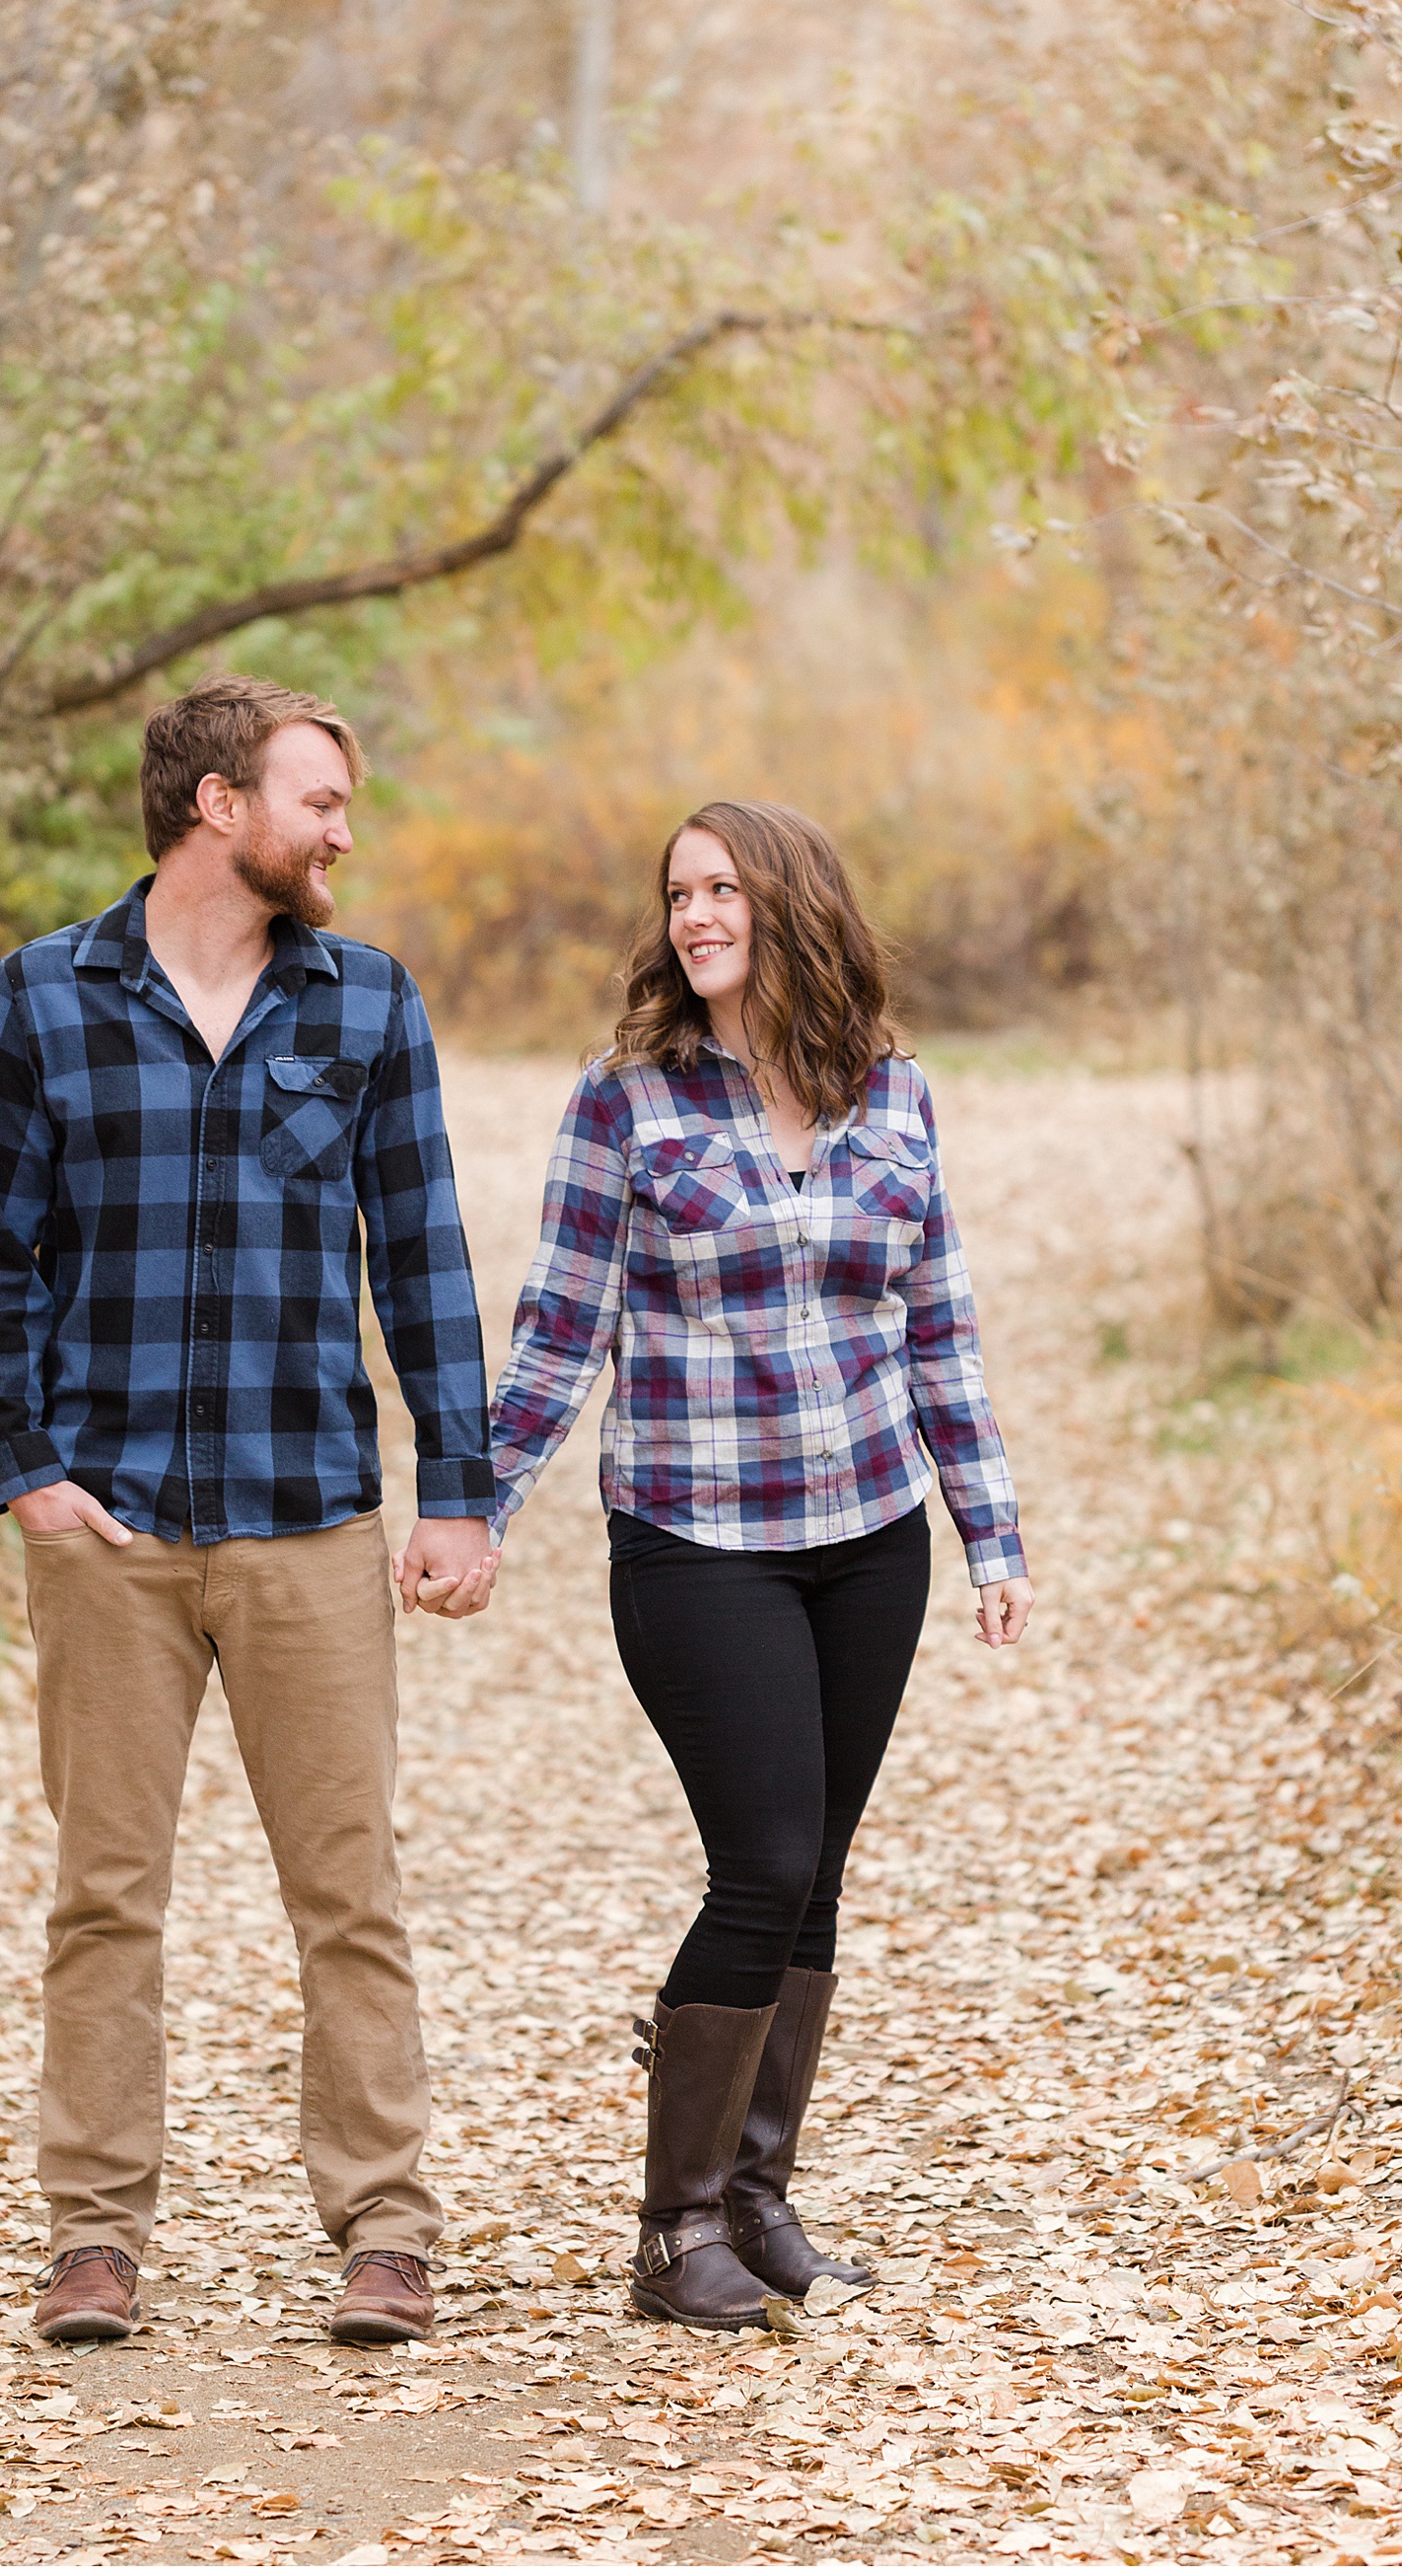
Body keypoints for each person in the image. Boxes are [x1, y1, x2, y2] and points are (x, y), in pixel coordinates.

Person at [0, 674, 498, 2351]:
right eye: (318, 799)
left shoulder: (366, 1004)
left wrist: (458, 1490)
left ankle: (386, 2233)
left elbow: (423, 1258)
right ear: (217, 806)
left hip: (308, 1520)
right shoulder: (41, 1000)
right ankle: (94, 2239)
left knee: (352, 1891)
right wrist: (19, 1463)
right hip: (108, 1534)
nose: (344, 829)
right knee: (106, 1892)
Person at [487, 801, 1033, 2332]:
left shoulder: (894, 1094)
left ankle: (756, 2201)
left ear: (793, 905)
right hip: (696, 1535)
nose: (696, 915)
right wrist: (478, 1504)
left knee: (818, 1878)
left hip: (869, 1536)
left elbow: (939, 1322)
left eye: (724, 887)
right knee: (765, 1863)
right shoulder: (631, 1104)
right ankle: (674, 2235)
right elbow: (561, 1323)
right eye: (678, 892)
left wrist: (988, 1526)